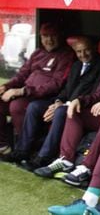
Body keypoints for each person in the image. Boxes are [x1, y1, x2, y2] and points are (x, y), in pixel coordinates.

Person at [22, 36, 100, 171]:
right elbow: (66, 89)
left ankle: (44, 157)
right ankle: (23, 151)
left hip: (83, 106)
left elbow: (95, 94)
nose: (83, 55)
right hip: (66, 101)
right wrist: (58, 101)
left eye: (86, 50)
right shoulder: (77, 65)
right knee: (34, 106)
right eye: (79, 52)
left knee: (61, 112)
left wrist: (65, 105)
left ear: (94, 49)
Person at [0, 23, 74, 159]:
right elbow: (22, 75)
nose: (49, 40)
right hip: (27, 93)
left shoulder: (66, 55)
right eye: (45, 36)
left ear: (60, 36)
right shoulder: (38, 53)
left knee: (17, 106)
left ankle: (23, 149)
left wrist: (22, 91)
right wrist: (7, 86)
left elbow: (56, 85)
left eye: (53, 36)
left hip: (44, 97)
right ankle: (4, 144)